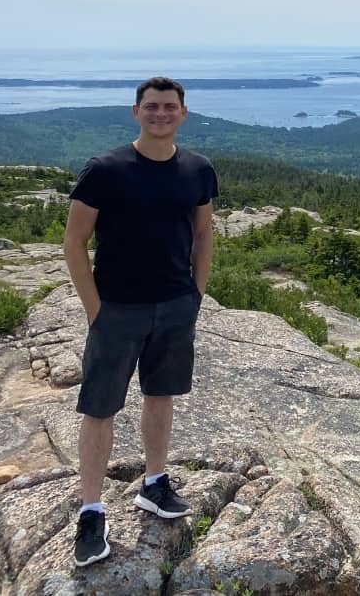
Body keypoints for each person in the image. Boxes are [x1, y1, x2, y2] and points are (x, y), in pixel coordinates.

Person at [62, 77, 218, 567]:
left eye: (169, 107)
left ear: (183, 113)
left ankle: (154, 482)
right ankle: (91, 510)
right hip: (118, 308)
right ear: (136, 112)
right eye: (151, 107)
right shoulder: (105, 170)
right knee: (101, 406)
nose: (160, 114)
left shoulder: (198, 169)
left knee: (161, 394)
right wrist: (95, 309)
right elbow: (74, 243)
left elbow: (203, 233)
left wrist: (196, 293)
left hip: (174, 305)